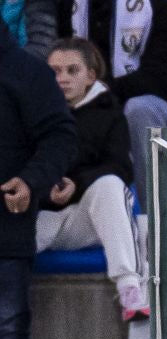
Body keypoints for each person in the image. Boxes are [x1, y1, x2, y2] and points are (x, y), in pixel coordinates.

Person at [1, 20, 76, 339]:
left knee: (8, 336)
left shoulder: (24, 70)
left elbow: (61, 135)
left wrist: (32, 181)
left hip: (5, 230)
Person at [39, 38, 144, 321]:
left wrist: (77, 185)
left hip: (87, 218)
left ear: (90, 76)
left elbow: (120, 167)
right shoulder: (30, 114)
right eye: (55, 72)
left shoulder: (109, 114)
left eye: (72, 70)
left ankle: (130, 288)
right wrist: (43, 186)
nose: (62, 79)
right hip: (40, 217)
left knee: (110, 185)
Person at [57, 0, 167, 211]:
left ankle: (156, 219)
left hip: (141, 101)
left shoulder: (158, 6)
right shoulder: (68, 6)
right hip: (87, 103)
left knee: (139, 110)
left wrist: (106, 92)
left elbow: (166, 74)